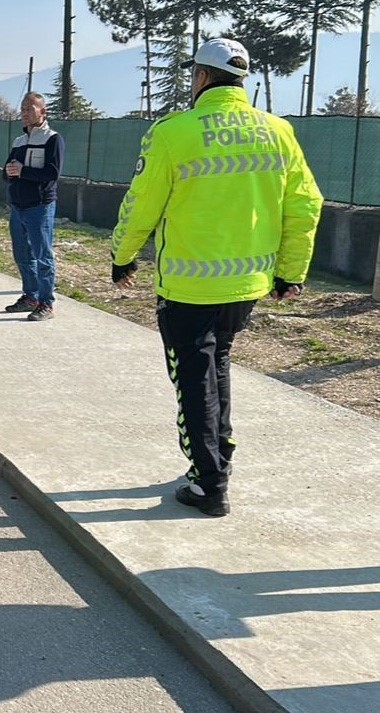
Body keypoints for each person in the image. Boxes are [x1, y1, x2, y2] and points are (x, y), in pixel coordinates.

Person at [109, 38, 323, 517]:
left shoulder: (173, 133)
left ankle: (209, 483)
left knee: (193, 380)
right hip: (246, 284)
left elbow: (142, 203)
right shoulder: (278, 131)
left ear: (202, 77)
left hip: (188, 286)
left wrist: (122, 256)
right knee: (216, 365)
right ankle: (218, 460)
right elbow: (306, 203)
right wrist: (291, 272)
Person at [3, 92, 64, 321]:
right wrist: (9, 172)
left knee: (42, 256)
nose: (25, 113)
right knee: (22, 254)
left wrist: (23, 171)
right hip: (18, 206)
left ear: (42, 111)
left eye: (30, 109)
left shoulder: (52, 139)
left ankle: (46, 303)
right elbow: (7, 171)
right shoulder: (19, 141)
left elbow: (52, 173)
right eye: (23, 109)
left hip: (39, 206)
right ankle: (30, 296)